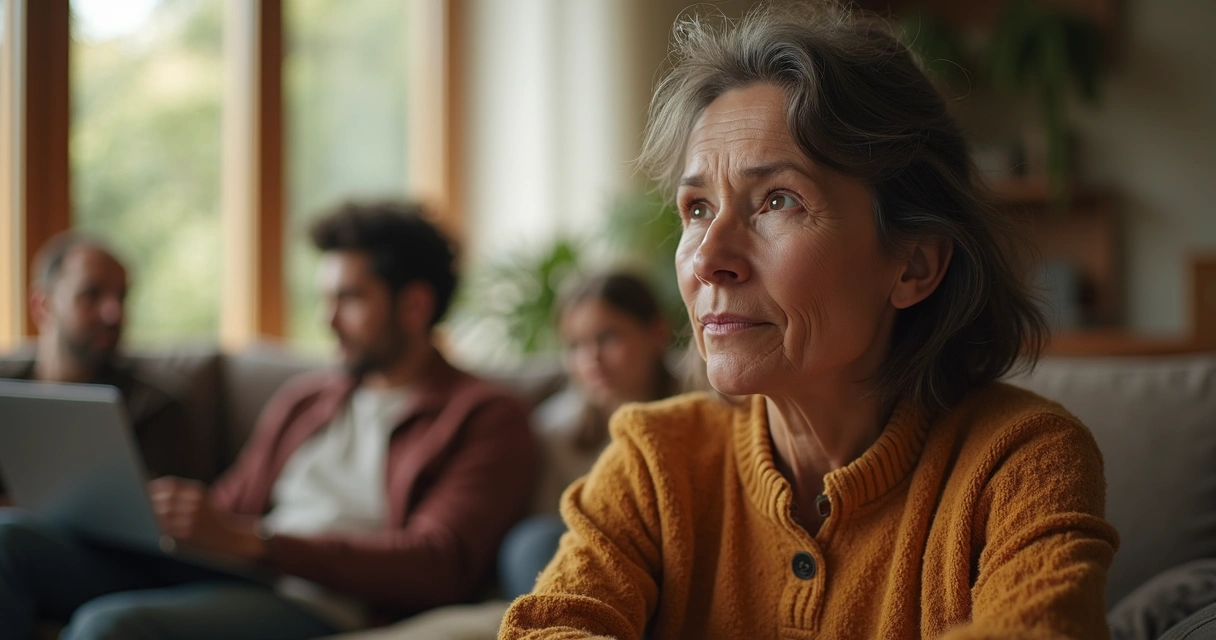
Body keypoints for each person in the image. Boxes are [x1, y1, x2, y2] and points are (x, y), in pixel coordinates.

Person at [500, 3, 1118, 639]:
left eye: (778, 201)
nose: (708, 257)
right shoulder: (654, 463)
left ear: (914, 265)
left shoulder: (1020, 461)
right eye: (697, 209)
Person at [0, 202, 537, 640]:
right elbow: (232, 507)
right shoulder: (306, 399)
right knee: (10, 538)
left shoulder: (485, 415)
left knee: (110, 626)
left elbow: (437, 562)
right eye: (325, 298)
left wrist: (260, 544)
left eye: (349, 299)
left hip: (326, 603)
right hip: (238, 572)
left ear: (415, 306)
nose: (327, 320)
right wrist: (178, 520)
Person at [498, 271, 678, 600]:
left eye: (608, 338)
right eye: (576, 346)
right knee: (531, 543)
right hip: (604, 571)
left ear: (656, 332)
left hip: (680, 560)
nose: (591, 360)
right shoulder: (555, 431)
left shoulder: (703, 407)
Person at [0, 232, 200, 497]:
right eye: (91, 294)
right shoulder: (5, 390)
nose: (113, 313)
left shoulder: (155, 406)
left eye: (121, 296)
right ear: (42, 306)